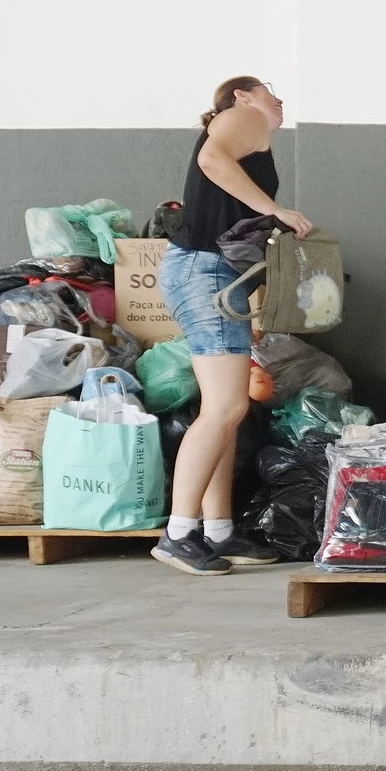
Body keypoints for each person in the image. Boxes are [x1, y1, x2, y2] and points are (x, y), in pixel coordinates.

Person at [151, 76, 313, 575]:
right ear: (242, 96)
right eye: (268, 89)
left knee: (225, 410)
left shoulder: (252, 132)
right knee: (226, 406)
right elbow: (210, 161)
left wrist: (255, 308)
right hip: (203, 272)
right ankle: (178, 534)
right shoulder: (243, 117)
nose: (278, 97)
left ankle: (219, 531)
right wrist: (274, 208)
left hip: (217, 276)